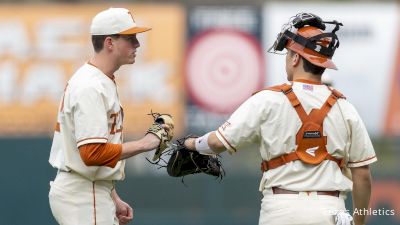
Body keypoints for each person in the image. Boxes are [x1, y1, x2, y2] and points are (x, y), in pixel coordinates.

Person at [183, 13, 376, 225]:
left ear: (295, 58)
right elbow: (363, 175)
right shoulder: (345, 108)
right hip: (331, 211)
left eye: (287, 54)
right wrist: (359, 222)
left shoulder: (268, 100)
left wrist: (191, 144)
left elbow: (217, 142)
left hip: (281, 210)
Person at [48, 8, 172, 225]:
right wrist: (146, 143)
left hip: (90, 189)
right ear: (109, 42)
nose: (137, 44)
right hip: (83, 195)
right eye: (130, 38)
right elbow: (92, 153)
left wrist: (111, 195)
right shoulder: (91, 86)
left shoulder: (100, 80)